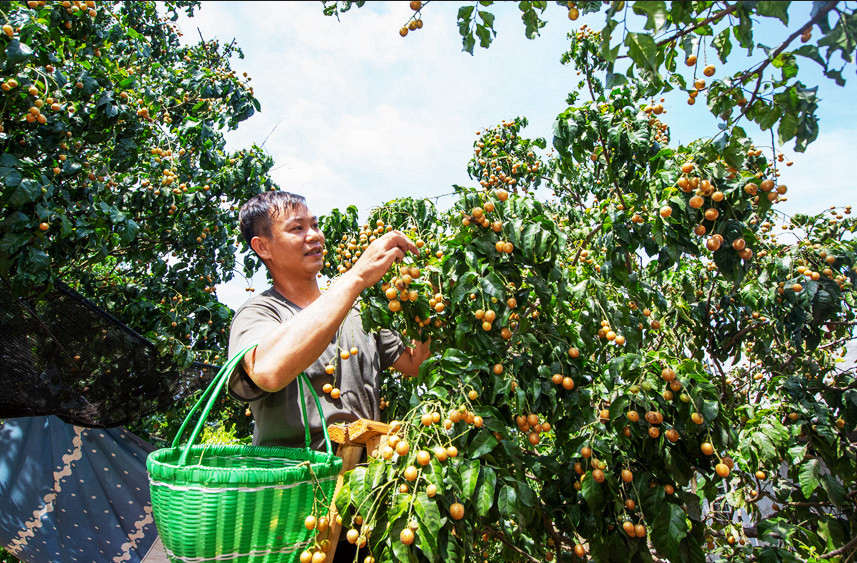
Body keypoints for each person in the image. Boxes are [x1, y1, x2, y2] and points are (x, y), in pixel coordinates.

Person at [227, 190, 431, 450]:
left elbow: (416, 364)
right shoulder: (260, 313)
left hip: (364, 482)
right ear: (263, 246)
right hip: (295, 481)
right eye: (297, 228)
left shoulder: (360, 311)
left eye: (314, 225)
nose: (314, 236)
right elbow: (267, 371)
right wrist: (357, 276)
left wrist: (424, 306)